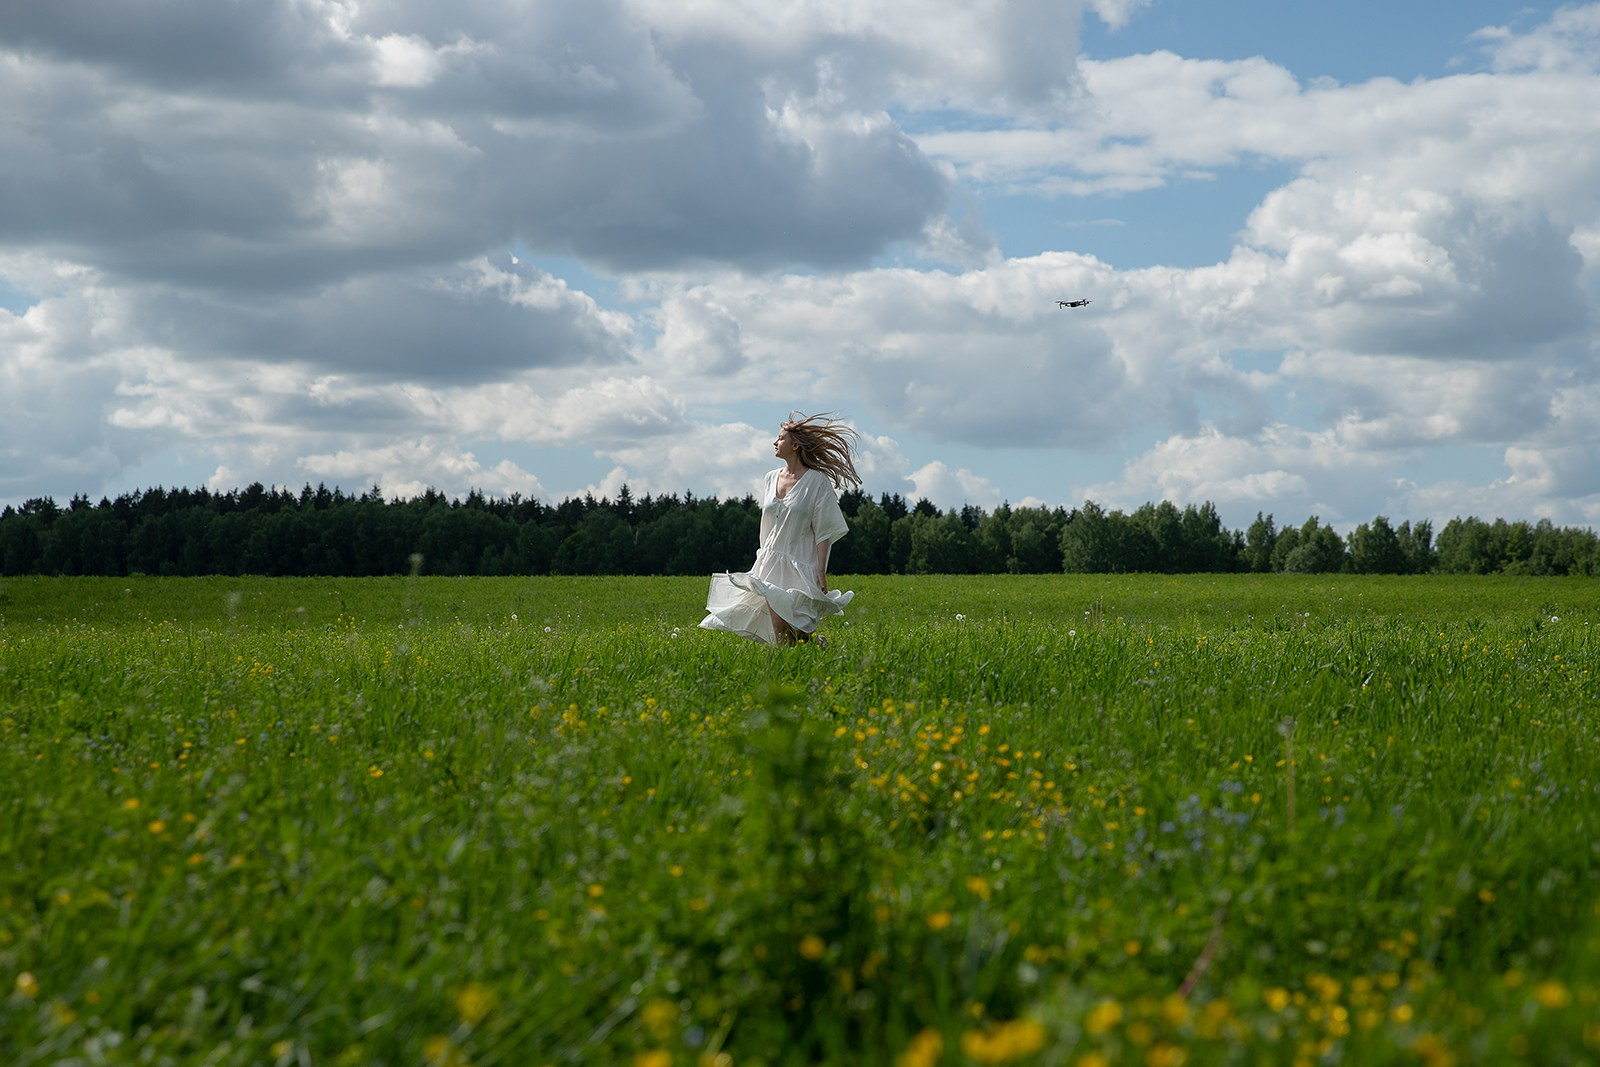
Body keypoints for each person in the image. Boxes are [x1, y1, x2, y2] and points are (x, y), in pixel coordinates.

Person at [700, 413, 862, 646]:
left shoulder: (817, 482)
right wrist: (762, 555)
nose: (775, 442)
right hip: (771, 560)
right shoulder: (770, 478)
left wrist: (820, 571)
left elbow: (824, 530)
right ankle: (800, 660)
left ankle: (809, 651)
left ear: (795, 445)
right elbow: (767, 524)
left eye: (780, 438)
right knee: (780, 621)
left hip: (799, 563)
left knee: (792, 624)